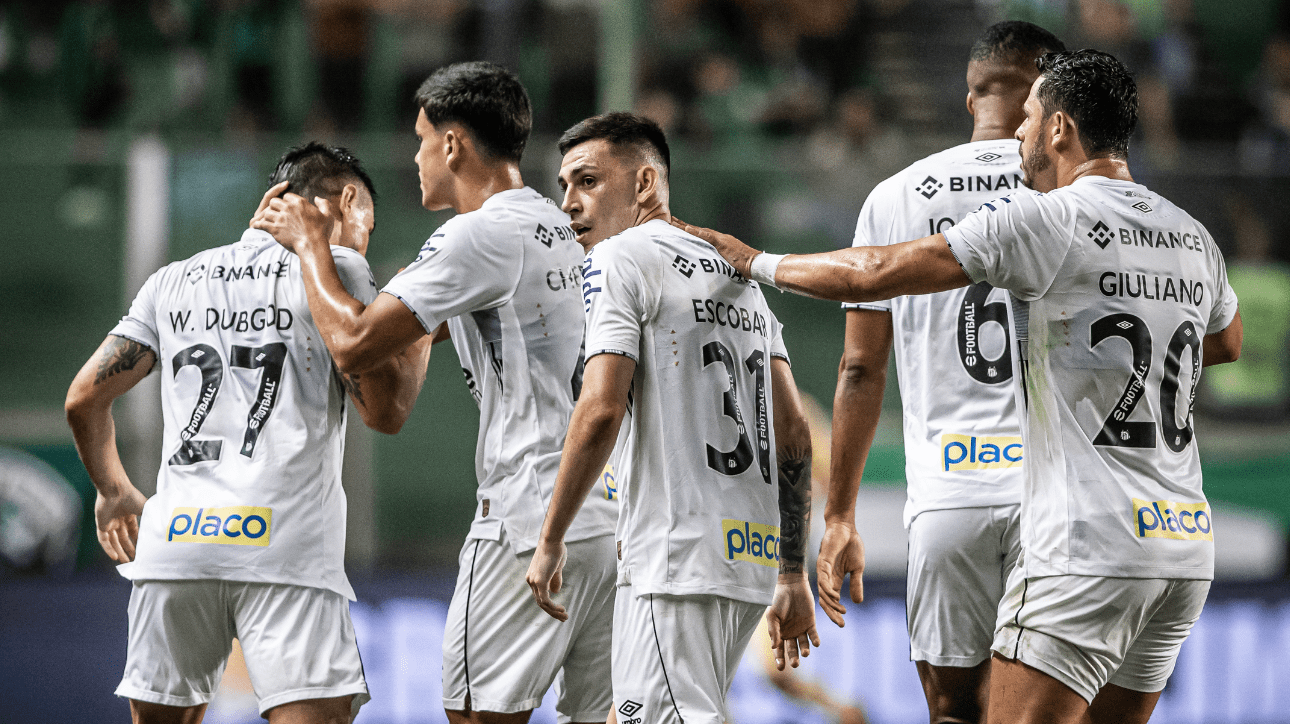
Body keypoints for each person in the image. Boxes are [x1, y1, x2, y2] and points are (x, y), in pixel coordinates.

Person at [683, 49, 1243, 724]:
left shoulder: (1051, 218)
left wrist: (757, 261)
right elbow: (1225, 341)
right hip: (1182, 547)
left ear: (1060, 130)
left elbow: (873, 273)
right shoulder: (1191, 235)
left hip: (1084, 542)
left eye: (1031, 120)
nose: (1019, 136)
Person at [253, 62, 617, 724]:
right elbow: (413, 337)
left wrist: (312, 248)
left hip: (525, 515)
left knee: (473, 716)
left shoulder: (477, 233)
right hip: (603, 520)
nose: (417, 158)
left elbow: (356, 343)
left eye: (422, 140)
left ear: (452, 144)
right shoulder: (554, 227)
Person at [65, 142, 433, 724]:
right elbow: (384, 412)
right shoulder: (339, 269)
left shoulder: (172, 280)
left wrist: (114, 492)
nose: (364, 236)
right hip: (283, 550)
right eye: (367, 222)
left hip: (175, 549)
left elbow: (85, 397)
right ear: (349, 200)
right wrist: (418, 326)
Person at [524, 112, 819, 724]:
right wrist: (791, 570)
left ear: (645, 184)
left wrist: (551, 536)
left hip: (675, 557)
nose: (569, 203)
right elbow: (793, 431)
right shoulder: (741, 276)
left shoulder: (618, 259)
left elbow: (601, 406)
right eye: (563, 186)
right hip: (748, 558)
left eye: (587, 181)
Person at [825, 21, 1064, 724]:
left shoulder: (893, 197)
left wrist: (839, 513)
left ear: (971, 98)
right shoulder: (1069, 199)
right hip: (1053, 499)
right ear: (1051, 101)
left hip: (947, 496)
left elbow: (859, 369)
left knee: (954, 712)